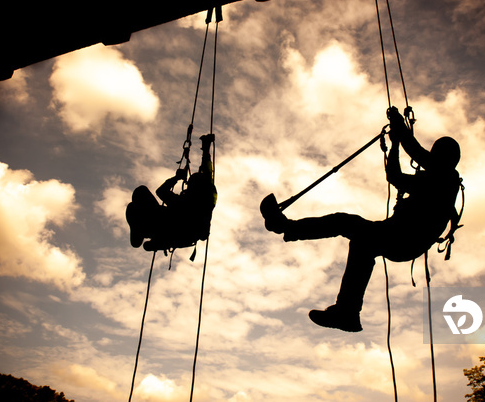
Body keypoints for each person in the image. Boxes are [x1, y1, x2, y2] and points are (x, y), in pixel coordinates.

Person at [260, 108, 462, 332]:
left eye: (435, 155)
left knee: (347, 225)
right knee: (360, 242)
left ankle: (286, 227)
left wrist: (397, 133)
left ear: (443, 158)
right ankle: (348, 313)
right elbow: (405, 164)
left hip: (403, 238)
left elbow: (405, 162)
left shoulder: (443, 181)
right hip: (399, 236)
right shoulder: (442, 180)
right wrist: (397, 139)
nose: (430, 159)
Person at [126, 134, 217, 251]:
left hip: (162, 225)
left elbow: (160, 192)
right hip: (172, 232)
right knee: (138, 202)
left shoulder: (184, 203)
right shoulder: (206, 197)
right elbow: (207, 170)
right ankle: (144, 234)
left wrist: (176, 178)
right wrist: (206, 147)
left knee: (139, 194)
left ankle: (141, 231)